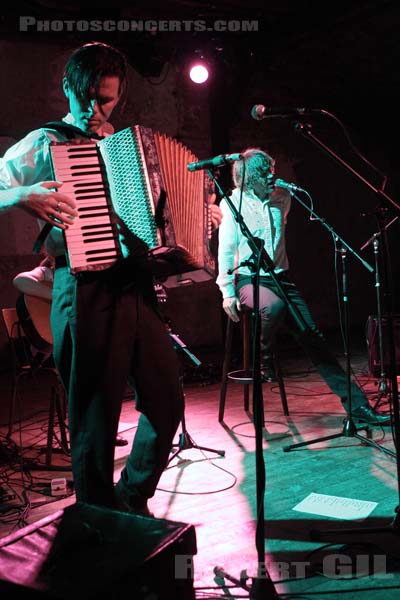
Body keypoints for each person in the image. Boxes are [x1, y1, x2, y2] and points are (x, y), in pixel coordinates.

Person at [0, 41, 220, 514]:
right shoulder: (47, 142)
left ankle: (130, 498)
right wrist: (21, 194)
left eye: (107, 99)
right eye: (89, 99)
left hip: (134, 287)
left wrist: (202, 215)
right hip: (82, 290)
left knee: (165, 400)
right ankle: (99, 519)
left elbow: (158, 218)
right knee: (95, 418)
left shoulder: (125, 148)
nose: (96, 111)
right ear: (67, 88)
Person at [216, 147, 390, 425]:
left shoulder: (281, 199)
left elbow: (279, 223)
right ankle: (264, 357)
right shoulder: (232, 204)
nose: (272, 175)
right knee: (272, 306)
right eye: (264, 172)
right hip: (249, 279)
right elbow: (225, 251)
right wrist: (226, 292)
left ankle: (358, 407)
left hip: (281, 278)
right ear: (250, 178)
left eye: (272, 169)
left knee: (314, 338)